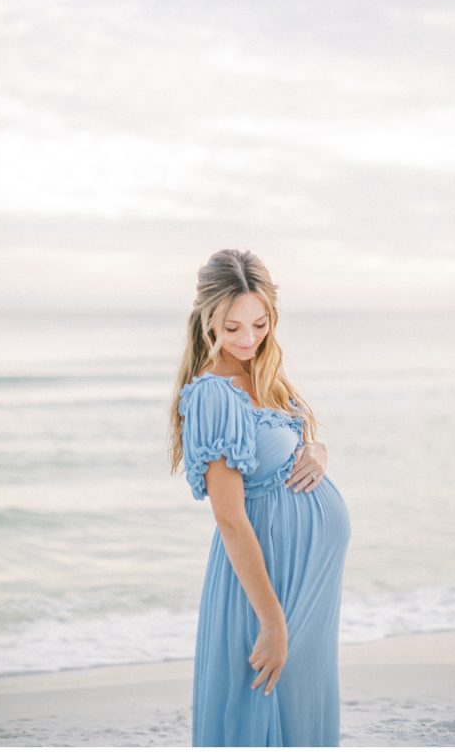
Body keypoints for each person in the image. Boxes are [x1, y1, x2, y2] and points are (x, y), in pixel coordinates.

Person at [168, 248, 351, 747]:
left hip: (306, 585)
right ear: (208, 320)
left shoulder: (264, 376)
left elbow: (296, 438)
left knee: (302, 713)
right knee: (264, 712)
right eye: (232, 328)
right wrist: (272, 623)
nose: (248, 339)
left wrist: (318, 448)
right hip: (266, 589)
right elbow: (229, 519)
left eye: (259, 323)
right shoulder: (213, 395)